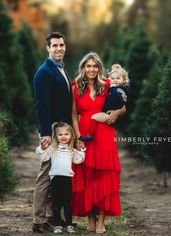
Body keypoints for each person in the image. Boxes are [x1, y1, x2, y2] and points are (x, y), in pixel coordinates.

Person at [71, 52, 126, 234]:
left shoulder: (108, 85)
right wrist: (78, 136)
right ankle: (90, 217)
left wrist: (117, 113)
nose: (92, 69)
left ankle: (101, 219)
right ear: (83, 68)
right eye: (88, 66)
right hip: (85, 134)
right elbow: (73, 114)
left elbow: (123, 105)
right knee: (87, 174)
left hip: (105, 133)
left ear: (100, 68)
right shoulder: (76, 86)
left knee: (105, 174)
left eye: (95, 66)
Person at [32, 32, 73, 233]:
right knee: (46, 174)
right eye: (55, 45)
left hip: (61, 128)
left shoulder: (61, 69)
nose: (59, 48)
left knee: (55, 174)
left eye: (62, 45)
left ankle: (50, 217)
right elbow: (41, 105)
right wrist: (47, 132)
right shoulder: (44, 72)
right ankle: (38, 220)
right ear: (47, 48)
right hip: (52, 130)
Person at [36, 122, 85, 234]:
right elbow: (43, 157)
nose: (63, 136)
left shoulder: (71, 150)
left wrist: (82, 150)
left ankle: (69, 224)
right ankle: (57, 225)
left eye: (66, 134)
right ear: (56, 136)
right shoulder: (53, 149)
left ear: (71, 135)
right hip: (55, 180)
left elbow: (78, 160)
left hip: (67, 180)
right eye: (60, 134)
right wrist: (42, 148)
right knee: (56, 204)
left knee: (67, 204)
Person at [79, 64, 130, 141]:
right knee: (93, 119)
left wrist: (117, 111)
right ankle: (89, 134)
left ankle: (89, 135)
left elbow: (123, 103)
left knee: (93, 117)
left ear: (123, 80)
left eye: (118, 78)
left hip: (109, 115)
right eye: (112, 78)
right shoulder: (109, 87)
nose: (115, 80)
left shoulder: (120, 90)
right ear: (108, 78)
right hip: (106, 114)